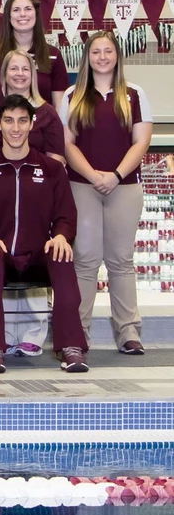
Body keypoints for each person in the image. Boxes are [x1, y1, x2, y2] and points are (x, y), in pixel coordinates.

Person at [0, 94, 89, 373]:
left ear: (32, 124)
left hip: (37, 255)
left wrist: (60, 236)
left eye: (22, 121)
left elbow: (66, 216)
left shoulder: (52, 169)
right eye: (9, 121)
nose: (15, 128)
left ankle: (71, 347)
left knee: (61, 257)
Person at [60, 30, 153, 355]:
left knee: (121, 261)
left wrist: (115, 175)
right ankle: (79, 333)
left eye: (108, 51)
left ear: (117, 56)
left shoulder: (135, 94)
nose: (102, 57)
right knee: (85, 260)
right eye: (96, 52)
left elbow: (141, 142)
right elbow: (67, 144)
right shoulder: (73, 95)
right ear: (87, 57)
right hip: (82, 186)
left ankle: (128, 332)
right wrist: (93, 175)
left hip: (124, 186)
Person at [0, 0, 69, 106]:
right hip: (1, 123)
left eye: (28, 9)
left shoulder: (53, 55)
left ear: (36, 14)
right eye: (16, 10)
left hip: (43, 124)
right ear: (8, 16)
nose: (22, 14)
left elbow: (59, 106)